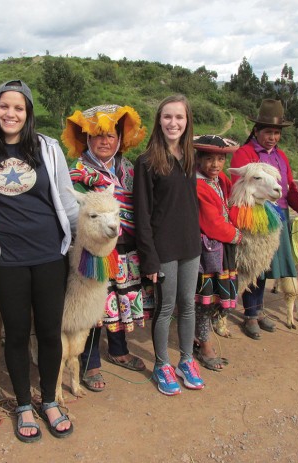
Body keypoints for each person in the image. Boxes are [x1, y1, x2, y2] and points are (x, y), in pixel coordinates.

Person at [0, 80, 77, 442]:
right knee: (13, 333)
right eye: (4, 107)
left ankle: (50, 400)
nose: (10, 114)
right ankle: (24, 405)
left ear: (28, 114)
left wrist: (82, 246)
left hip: (48, 255)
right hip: (5, 258)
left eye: (18, 108)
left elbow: (66, 197)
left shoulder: (48, 148)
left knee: (48, 331)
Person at [63, 104, 149, 392]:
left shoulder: (128, 169)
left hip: (126, 246)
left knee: (121, 302)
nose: (104, 141)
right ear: (87, 140)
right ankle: (90, 362)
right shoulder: (77, 173)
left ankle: (119, 349)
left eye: (111, 136)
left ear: (120, 139)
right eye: (97, 136)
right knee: (92, 307)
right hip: (93, 252)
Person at [133, 94, 204, 396]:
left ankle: (186, 360)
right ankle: (162, 364)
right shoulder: (147, 162)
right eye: (167, 117)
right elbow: (143, 214)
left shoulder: (190, 158)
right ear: (158, 121)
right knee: (165, 308)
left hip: (190, 246)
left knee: (188, 305)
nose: (173, 123)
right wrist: (148, 258)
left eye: (179, 117)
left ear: (187, 121)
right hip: (162, 249)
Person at [230, 99, 298, 340]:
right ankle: (250, 314)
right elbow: (240, 188)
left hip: (278, 216)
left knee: (265, 265)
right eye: (267, 132)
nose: (272, 137)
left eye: (276, 133)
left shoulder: (280, 157)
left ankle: (257, 309)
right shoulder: (245, 155)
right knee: (252, 264)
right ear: (256, 131)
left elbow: (289, 187)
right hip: (255, 217)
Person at [193, 135, 241, 370]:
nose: (215, 164)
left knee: (215, 301)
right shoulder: (198, 184)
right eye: (209, 159)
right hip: (207, 251)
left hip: (221, 247)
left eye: (220, 159)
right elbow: (211, 222)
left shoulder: (220, 179)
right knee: (205, 300)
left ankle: (199, 337)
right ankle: (205, 345)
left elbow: (230, 204)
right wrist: (237, 235)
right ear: (199, 159)